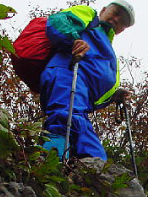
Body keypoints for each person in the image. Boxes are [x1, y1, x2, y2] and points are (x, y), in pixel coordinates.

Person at [40, 1, 135, 160]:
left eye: (123, 21)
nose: (117, 19)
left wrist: (114, 96)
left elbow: (95, 81)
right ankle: (49, 168)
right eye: (116, 12)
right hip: (68, 74)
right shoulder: (90, 17)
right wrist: (74, 40)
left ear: (123, 30)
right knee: (64, 118)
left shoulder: (107, 46)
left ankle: (96, 175)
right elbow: (58, 20)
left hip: (81, 98)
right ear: (104, 10)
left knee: (91, 146)